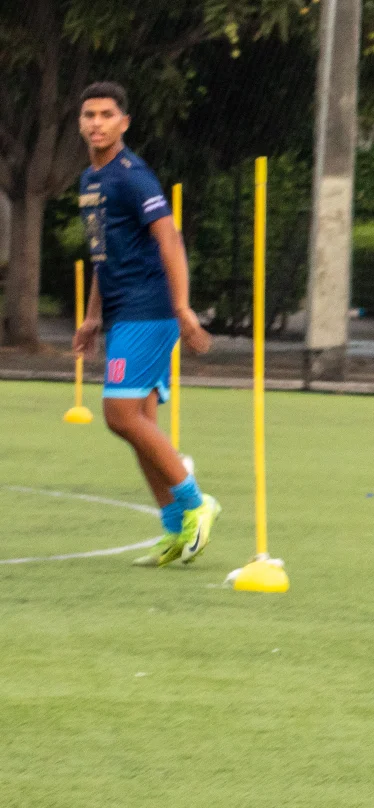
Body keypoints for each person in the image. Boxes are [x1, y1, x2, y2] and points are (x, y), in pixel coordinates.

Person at [72, 81, 220, 568]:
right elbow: (102, 255)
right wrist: (93, 316)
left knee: (119, 415)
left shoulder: (133, 176)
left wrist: (183, 306)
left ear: (124, 123)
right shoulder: (89, 180)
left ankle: (197, 503)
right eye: (89, 115)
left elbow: (170, 240)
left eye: (106, 114)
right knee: (140, 424)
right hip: (122, 312)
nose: (96, 122)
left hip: (150, 309)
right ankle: (175, 530)